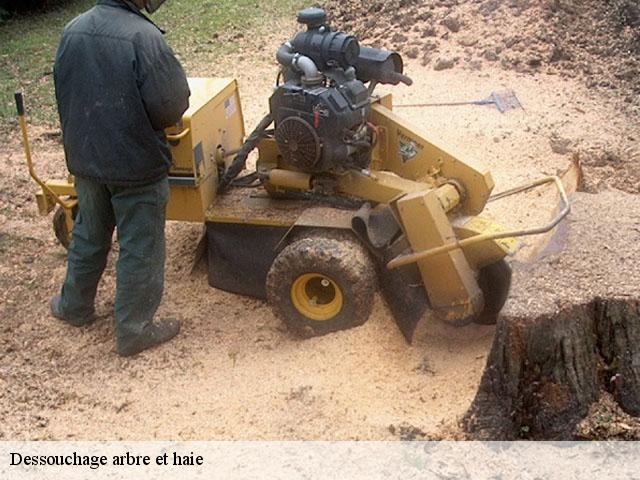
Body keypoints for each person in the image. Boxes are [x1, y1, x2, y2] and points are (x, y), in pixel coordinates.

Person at [50, 0, 190, 357]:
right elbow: (171, 106)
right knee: (140, 247)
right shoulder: (144, 38)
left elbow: (64, 92)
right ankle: (134, 330)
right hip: (134, 165)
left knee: (88, 233)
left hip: (86, 159)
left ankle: (74, 307)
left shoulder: (73, 29)